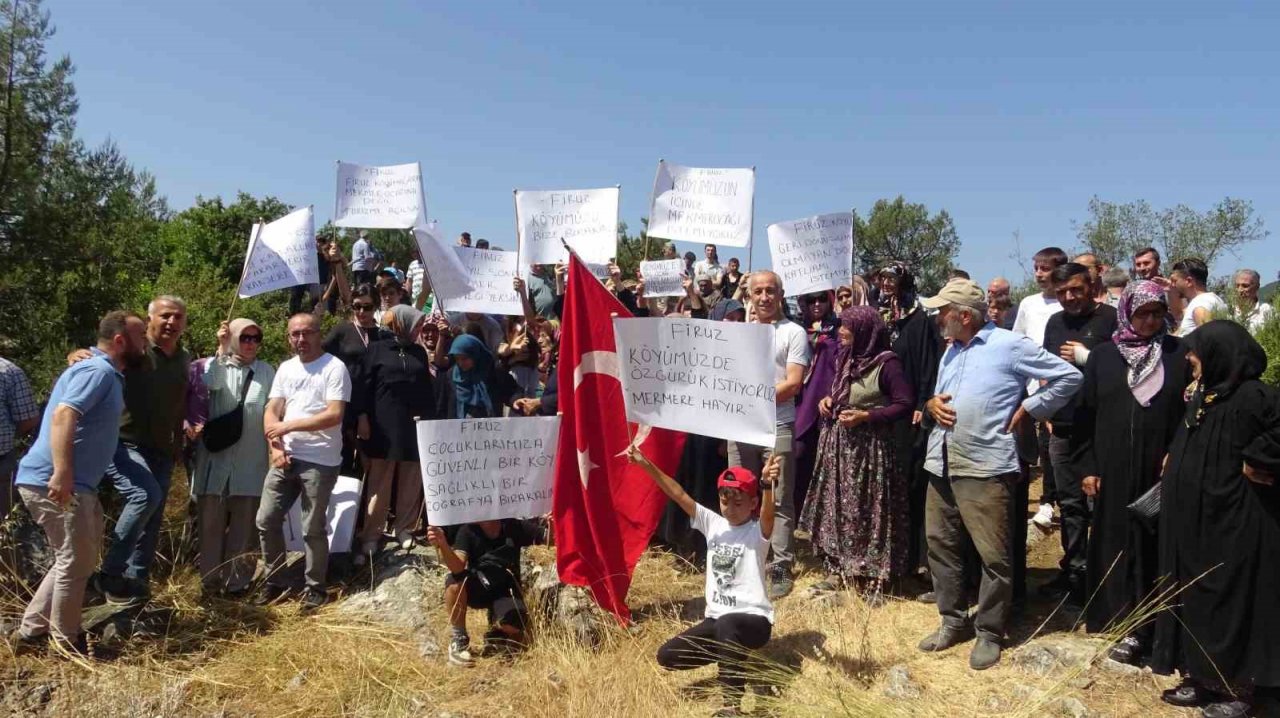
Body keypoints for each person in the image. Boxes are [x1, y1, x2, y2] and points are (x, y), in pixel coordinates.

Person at [917, 279, 1081, 670]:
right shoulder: (950, 351)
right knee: (941, 546)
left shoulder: (1008, 345)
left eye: (943, 311)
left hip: (986, 465)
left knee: (994, 556)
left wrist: (1032, 406)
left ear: (963, 315)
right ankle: (952, 620)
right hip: (941, 462)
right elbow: (940, 399)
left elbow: (1069, 377)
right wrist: (929, 405)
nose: (938, 318)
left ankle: (990, 631)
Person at [1150, 321, 1280, 718]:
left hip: (1236, 524)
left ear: (1220, 355)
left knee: (1232, 599)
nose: (1189, 358)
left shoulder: (1257, 396)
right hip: (1194, 524)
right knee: (1197, 596)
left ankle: (1237, 690)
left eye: (1196, 352)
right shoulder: (1206, 396)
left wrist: (1259, 462)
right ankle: (1201, 678)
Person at [11, 311, 147, 656]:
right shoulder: (97, 371)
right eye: (140, 335)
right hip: (55, 481)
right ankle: (66, 643)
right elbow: (63, 414)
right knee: (75, 562)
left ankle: (31, 633)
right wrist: (62, 472)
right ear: (120, 340)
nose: (145, 341)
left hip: (70, 482)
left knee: (74, 561)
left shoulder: (104, 372)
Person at [1072, 280, 1186, 664]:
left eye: (1157, 313)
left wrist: (1176, 454)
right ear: (1127, 313)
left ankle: (1152, 627)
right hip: (1112, 470)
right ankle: (1117, 621)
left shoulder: (1177, 354)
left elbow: (1190, 414)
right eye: (1143, 314)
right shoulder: (1105, 357)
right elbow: (1084, 416)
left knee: (1154, 544)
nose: (1151, 321)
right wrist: (1087, 466)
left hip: (1161, 472)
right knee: (1114, 542)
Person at [630, 445, 779, 716]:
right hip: (718, 622)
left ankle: (731, 705)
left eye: (739, 503)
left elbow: (770, 516)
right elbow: (677, 493)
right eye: (725, 502)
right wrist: (644, 463)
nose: (731, 510)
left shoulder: (757, 533)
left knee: (728, 623)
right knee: (668, 656)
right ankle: (730, 655)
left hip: (753, 621)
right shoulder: (713, 524)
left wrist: (768, 484)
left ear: (753, 503)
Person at [81, 295, 190, 603]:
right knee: (144, 497)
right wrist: (78, 354)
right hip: (124, 443)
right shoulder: (137, 352)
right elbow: (102, 357)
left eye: (178, 317)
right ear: (150, 318)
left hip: (163, 450)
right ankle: (111, 574)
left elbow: (179, 402)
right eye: (166, 316)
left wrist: (178, 444)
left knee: (152, 520)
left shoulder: (183, 358)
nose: (172, 322)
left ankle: (134, 586)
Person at [803, 306, 914, 599]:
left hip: (869, 452)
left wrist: (867, 416)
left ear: (865, 330)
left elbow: (904, 403)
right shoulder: (846, 357)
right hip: (839, 447)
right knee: (839, 507)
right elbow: (839, 392)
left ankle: (873, 577)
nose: (841, 331)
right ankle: (841, 569)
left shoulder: (887, 364)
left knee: (868, 510)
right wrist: (827, 400)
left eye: (847, 327)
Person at [254, 313, 351, 610]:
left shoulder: (334, 368)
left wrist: (288, 427)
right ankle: (276, 581)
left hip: (320, 460)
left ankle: (315, 588)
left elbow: (334, 414)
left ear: (318, 335)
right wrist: (275, 445)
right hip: (286, 456)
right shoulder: (286, 368)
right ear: (288, 337)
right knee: (265, 520)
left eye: (307, 333)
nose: (301, 339)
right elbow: (272, 410)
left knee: (312, 528)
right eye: (295, 334)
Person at [1037, 263, 1117, 607]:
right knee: (1069, 505)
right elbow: (1044, 366)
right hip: (1063, 426)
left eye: (1076, 290)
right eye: (1062, 292)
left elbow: (1126, 364)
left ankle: (1106, 576)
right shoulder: (1055, 322)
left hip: (1102, 427)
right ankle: (1074, 572)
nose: (1069, 297)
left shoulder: (1111, 319)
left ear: (1091, 285)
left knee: (1102, 502)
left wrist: (1089, 358)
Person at [728, 270, 810, 599]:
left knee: (777, 496)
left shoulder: (794, 332)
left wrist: (753, 396)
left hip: (777, 424)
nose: (764, 297)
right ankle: (744, 557)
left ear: (780, 294)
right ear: (749, 296)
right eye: (757, 292)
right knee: (737, 492)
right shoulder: (737, 334)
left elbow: (793, 383)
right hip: (738, 425)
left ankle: (780, 565)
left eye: (770, 291)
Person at [191, 319, 275, 597]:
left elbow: (273, 411)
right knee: (211, 525)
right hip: (216, 462)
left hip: (251, 462)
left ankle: (238, 583)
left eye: (256, 338)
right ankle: (210, 583)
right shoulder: (217, 366)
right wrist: (222, 347)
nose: (251, 343)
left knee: (244, 526)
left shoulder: (266, 372)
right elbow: (208, 384)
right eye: (245, 337)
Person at [877, 263, 944, 588]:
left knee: (912, 484)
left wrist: (921, 404)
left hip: (910, 416)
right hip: (882, 414)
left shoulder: (920, 320)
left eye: (893, 278)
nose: (887, 284)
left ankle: (917, 561)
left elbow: (928, 365)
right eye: (883, 278)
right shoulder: (882, 317)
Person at [352, 306, 434, 565]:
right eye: (416, 324)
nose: (419, 330)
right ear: (401, 323)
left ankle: (405, 528)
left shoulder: (418, 351)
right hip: (382, 424)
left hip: (413, 422)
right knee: (380, 479)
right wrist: (362, 416)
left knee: (411, 475)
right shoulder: (376, 348)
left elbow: (425, 389)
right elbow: (363, 385)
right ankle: (371, 535)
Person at [427, 516, 549, 667]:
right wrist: (443, 544)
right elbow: (457, 567)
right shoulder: (467, 530)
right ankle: (459, 640)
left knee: (514, 627)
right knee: (454, 581)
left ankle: (497, 629)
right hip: (479, 585)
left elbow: (550, 539)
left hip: (506, 590)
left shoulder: (513, 525)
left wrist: (555, 523)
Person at [1012, 247, 1067, 531]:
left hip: (1057, 385)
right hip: (1028, 384)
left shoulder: (1066, 304)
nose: (1038, 274)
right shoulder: (1028, 303)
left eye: (1044, 269)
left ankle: (1049, 500)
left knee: (1051, 444)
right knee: (1025, 441)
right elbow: (1017, 341)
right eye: (1036, 268)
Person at [793, 291, 840, 511]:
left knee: (824, 461)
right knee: (798, 455)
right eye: (811, 300)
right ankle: (796, 510)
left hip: (827, 403)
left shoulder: (839, 329)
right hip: (799, 401)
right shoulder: (796, 329)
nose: (817, 304)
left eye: (822, 299)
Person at [433, 332, 519, 420]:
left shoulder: (493, 373)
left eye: (465, 358)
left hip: (490, 429)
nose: (460, 363)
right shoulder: (450, 376)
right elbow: (442, 408)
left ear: (476, 355)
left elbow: (512, 391)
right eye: (457, 358)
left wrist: (516, 400)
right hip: (457, 431)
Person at [0, 355, 40, 520]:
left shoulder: (7, 370)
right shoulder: (8, 369)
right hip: (2, 456)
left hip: (2, 460)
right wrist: (10, 436)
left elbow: (29, 419)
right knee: (4, 522)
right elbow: (28, 419)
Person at [1170, 257, 1226, 337]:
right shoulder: (1210, 300)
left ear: (1188, 281)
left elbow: (1210, 340)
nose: (1172, 285)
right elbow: (1179, 315)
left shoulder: (1200, 305)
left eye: (1175, 281)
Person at [1231, 268, 1274, 333]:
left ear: (1257, 286)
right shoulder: (1228, 311)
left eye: (1245, 286)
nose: (1240, 290)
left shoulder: (1269, 312)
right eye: (1237, 286)